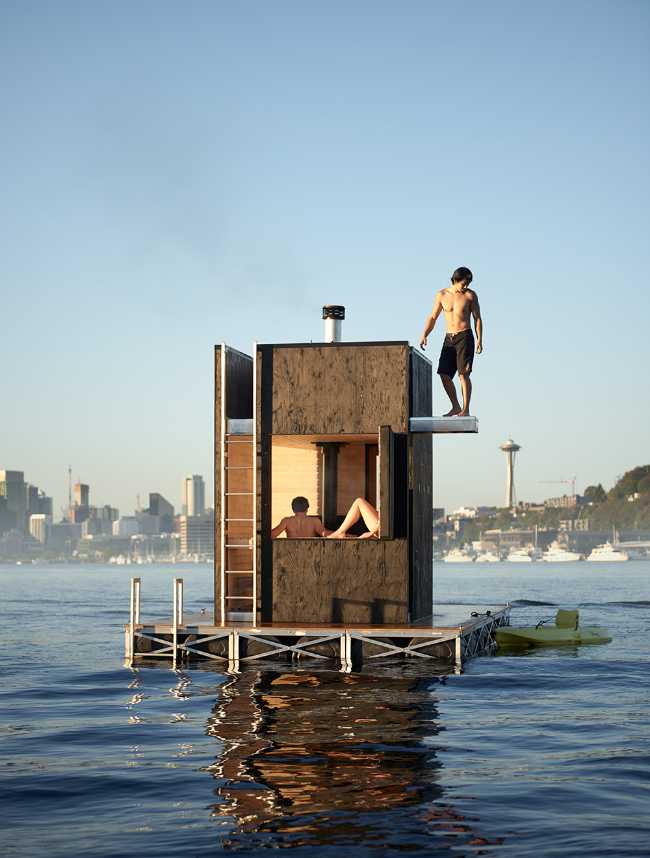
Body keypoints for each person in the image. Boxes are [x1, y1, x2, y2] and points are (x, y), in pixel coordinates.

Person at [419, 266, 483, 416]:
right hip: (449, 338)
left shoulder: (470, 295)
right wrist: (424, 334)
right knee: (443, 373)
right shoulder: (441, 295)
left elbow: (477, 318)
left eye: (468, 283)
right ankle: (456, 406)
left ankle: (465, 409)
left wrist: (480, 339)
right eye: (464, 283)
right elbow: (433, 317)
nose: (466, 286)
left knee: (463, 374)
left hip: (465, 336)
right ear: (456, 279)